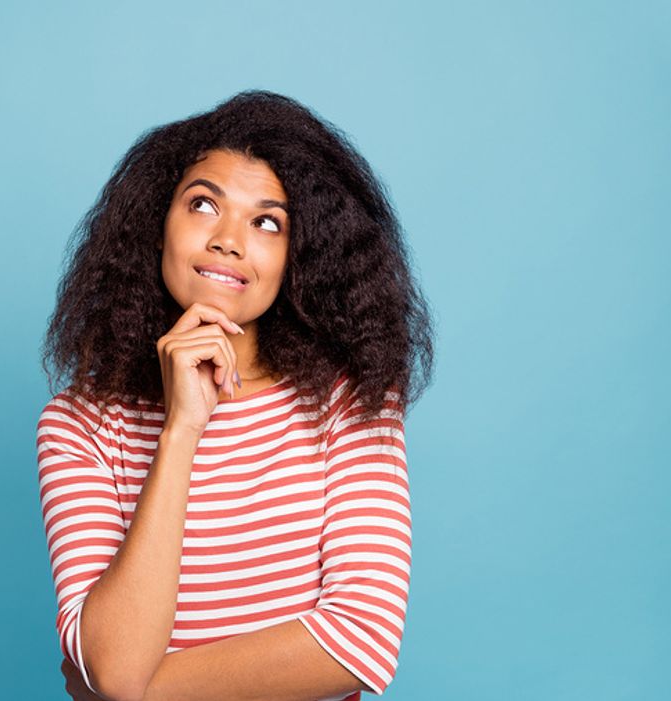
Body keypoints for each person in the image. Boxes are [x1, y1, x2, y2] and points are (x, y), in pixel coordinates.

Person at [36, 90, 434, 701]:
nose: (229, 240)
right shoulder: (79, 426)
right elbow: (109, 658)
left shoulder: (349, 403)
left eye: (267, 222)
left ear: (298, 257)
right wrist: (180, 432)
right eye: (202, 205)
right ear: (155, 224)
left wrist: (138, 691)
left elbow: (360, 640)